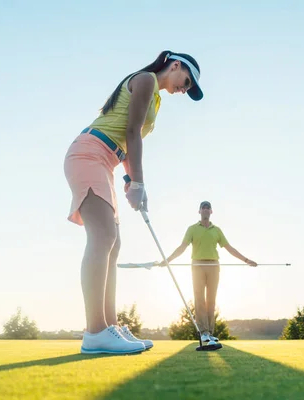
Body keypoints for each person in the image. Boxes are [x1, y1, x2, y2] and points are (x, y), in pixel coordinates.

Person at [63, 50, 203, 354]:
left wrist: (130, 180)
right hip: (88, 154)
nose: (184, 88)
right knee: (104, 238)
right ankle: (95, 331)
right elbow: (131, 132)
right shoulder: (145, 80)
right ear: (175, 65)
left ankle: (109, 327)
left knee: (113, 245)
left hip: (107, 160)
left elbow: (126, 145)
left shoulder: (156, 98)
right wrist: (138, 182)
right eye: (186, 81)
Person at [160, 201, 257, 344]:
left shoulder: (216, 230)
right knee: (199, 299)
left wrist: (246, 260)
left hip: (213, 265)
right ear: (199, 211)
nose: (205, 210)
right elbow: (182, 247)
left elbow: (229, 248)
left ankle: (210, 333)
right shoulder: (192, 229)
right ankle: (203, 332)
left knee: (211, 300)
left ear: (211, 212)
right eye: (203, 208)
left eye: (208, 208)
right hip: (197, 265)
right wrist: (168, 260)